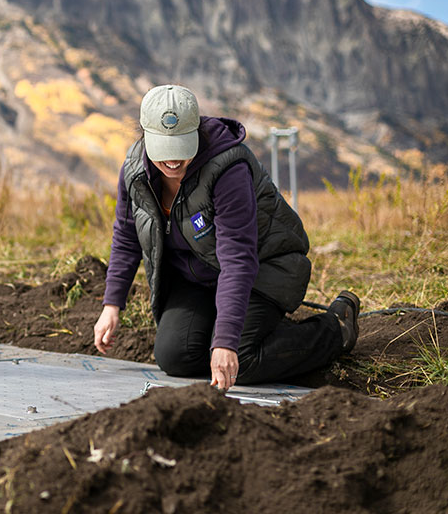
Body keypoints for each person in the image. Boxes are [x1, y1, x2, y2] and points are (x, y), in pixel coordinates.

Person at [93, 84, 359, 391]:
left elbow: (238, 257)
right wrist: (112, 305)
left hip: (265, 268)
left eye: (181, 148)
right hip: (199, 279)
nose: (173, 162)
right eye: (164, 150)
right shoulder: (134, 170)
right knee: (175, 357)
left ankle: (335, 329)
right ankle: (250, 331)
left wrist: (226, 340)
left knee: (239, 360)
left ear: (195, 132)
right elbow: (126, 236)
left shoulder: (228, 168)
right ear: (146, 137)